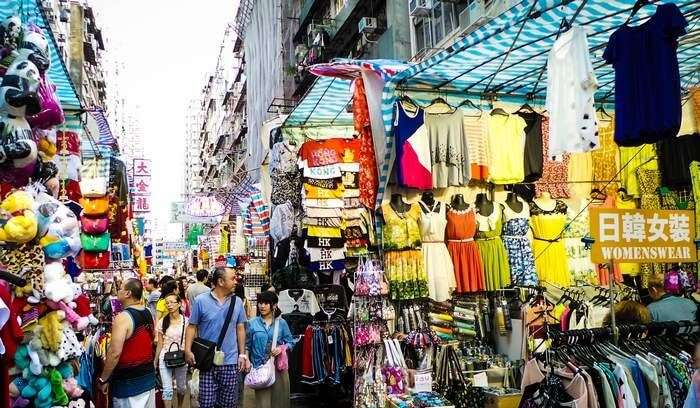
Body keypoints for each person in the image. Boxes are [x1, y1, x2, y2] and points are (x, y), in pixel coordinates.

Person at [184, 267, 249, 408]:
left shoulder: (237, 302)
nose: (236, 281)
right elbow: (191, 326)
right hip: (207, 361)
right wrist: (187, 350)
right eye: (233, 278)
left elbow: (240, 328)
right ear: (220, 281)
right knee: (206, 403)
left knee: (227, 403)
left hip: (230, 361)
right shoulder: (201, 301)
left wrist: (242, 354)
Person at [98, 278, 156, 407]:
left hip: (128, 385)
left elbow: (114, 353)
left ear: (128, 293)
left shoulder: (123, 318)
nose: (118, 291)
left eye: (121, 288)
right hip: (148, 379)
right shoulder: (147, 312)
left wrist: (104, 378)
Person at [246, 291, 296, 408]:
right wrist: (247, 359)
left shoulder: (282, 323)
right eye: (260, 303)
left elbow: (291, 342)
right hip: (260, 367)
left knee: (280, 402)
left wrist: (281, 348)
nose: (262, 306)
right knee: (263, 403)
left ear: (274, 305)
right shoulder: (252, 323)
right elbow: (247, 345)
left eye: (266, 303)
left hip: (278, 368)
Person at [154, 293, 189, 408]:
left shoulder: (187, 321)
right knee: (167, 389)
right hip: (165, 357)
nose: (169, 305)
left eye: (172, 302)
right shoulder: (162, 322)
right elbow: (160, 343)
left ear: (179, 304)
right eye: (167, 303)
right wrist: (155, 361)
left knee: (181, 387)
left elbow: (191, 340)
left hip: (181, 356)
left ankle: (179, 405)